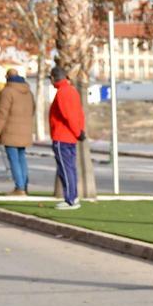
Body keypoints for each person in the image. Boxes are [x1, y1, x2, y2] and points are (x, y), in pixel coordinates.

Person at [0, 68, 36, 195]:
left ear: (7, 77)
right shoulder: (29, 92)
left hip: (10, 131)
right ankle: (24, 186)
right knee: (22, 158)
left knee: (14, 159)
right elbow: (33, 109)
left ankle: (19, 187)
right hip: (25, 131)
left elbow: (2, 114)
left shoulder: (7, 91)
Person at [48, 66, 85, 210]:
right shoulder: (72, 91)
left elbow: (68, 115)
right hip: (70, 137)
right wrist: (80, 131)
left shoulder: (63, 92)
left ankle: (70, 199)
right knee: (70, 168)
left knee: (65, 169)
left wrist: (77, 131)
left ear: (53, 78)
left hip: (62, 136)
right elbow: (78, 113)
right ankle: (72, 197)